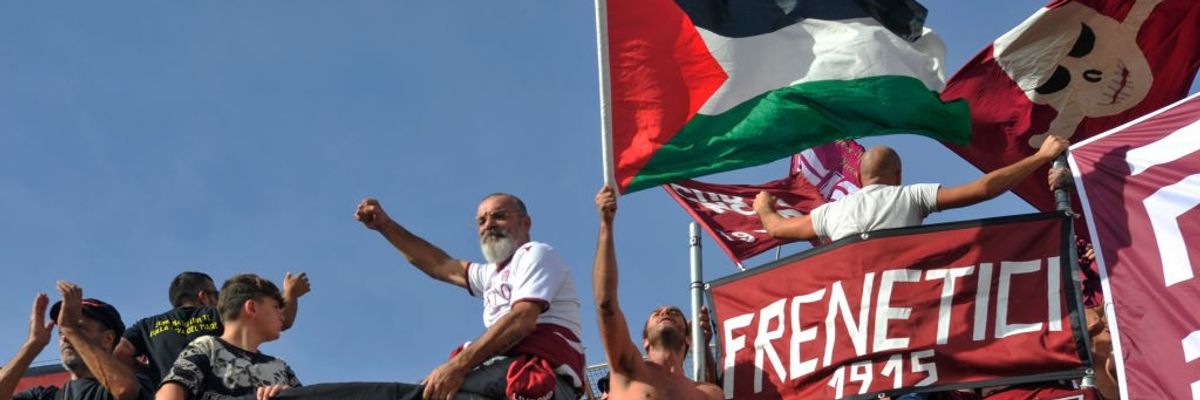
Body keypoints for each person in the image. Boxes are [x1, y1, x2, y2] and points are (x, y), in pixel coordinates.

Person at [355, 193, 585, 400]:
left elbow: (521, 319)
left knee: (428, 393)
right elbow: (438, 264)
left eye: (499, 216)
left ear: (526, 223)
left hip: (542, 378)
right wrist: (385, 226)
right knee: (433, 392)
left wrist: (457, 367)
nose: (489, 225)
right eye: (482, 221)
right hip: (508, 373)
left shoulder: (535, 253)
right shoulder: (491, 275)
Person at [754, 136, 1070, 241]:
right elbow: (983, 189)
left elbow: (778, 229)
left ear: (859, 178)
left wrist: (764, 207)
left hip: (853, 314)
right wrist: (1041, 156)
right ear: (899, 175)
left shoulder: (831, 212)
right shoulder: (909, 196)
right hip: (906, 304)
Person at [591, 186, 723, 400]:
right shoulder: (628, 368)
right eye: (656, 314)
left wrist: (703, 344)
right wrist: (606, 224)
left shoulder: (709, 393)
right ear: (645, 341)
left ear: (687, 338)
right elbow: (606, 304)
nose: (665, 313)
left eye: (674, 313)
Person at [115, 271, 310, 384]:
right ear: (203, 296)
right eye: (217, 295)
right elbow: (280, 320)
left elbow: (119, 354)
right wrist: (291, 293)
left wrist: (152, 372)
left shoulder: (146, 326)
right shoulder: (218, 315)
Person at [0, 281, 154, 400]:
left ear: (108, 339)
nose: (65, 336)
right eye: (61, 331)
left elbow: (124, 390)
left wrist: (70, 329)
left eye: (79, 329)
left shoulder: (139, 383)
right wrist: (33, 344)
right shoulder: (43, 396)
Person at [156, 274, 301, 400]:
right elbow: (170, 393)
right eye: (276, 307)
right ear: (251, 307)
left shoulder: (281, 367)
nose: (282, 316)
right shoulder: (208, 347)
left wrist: (288, 396)